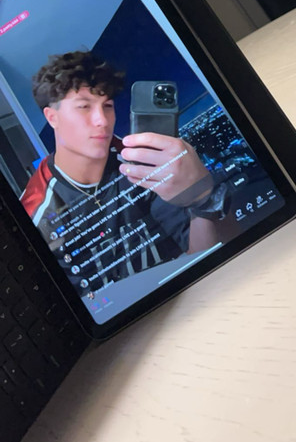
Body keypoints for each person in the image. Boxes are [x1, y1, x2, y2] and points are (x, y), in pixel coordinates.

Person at [21, 51, 230, 293]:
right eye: (84, 107)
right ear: (52, 117)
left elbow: (209, 258)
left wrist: (202, 198)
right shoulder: (37, 213)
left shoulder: (138, 162)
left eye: (107, 105)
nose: (102, 120)